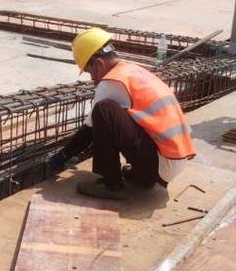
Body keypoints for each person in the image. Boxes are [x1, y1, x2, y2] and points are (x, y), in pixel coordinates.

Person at [46, 28, 196, 200]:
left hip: (160, 164)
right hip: (174, 158)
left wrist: (62, 156)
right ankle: (143, 177)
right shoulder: (132, 71)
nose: (93, 79)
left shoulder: (112, 82)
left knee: (104, 110)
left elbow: (89, 131)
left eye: (90, 72)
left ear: (100, 64)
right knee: (117, 114)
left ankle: (112, 185)